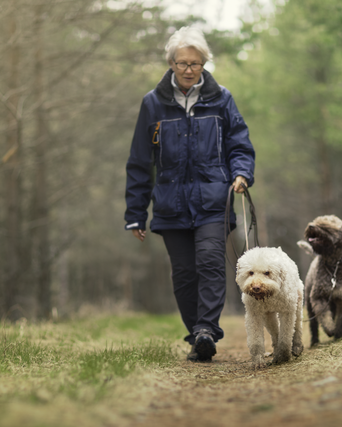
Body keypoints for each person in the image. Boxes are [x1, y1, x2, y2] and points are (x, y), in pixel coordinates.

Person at [124, 26, 255, 362]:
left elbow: (239, 142)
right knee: (184, 272)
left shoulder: (221, 98)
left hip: (214, 200)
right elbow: (140, 162)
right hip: (170, 204)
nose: (188, 70)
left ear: (203, 64)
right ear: (171, 63)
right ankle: (196, 334)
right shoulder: (152, 104)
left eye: (195, 64)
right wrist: (136, 213)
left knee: (210, 262)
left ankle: (207, 330)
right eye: (182, 63)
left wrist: (241, 173)